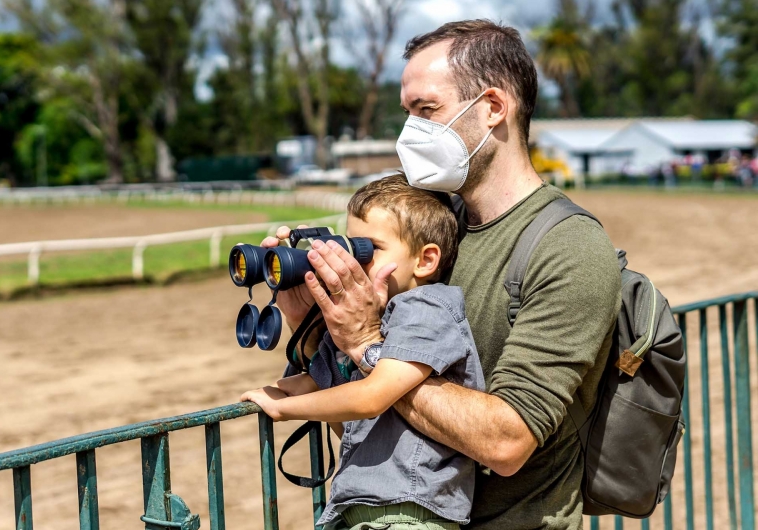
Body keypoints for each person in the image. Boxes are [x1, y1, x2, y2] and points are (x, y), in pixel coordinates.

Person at [262, 20, 621, 530]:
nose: (411, 132)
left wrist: (366, 344)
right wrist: (311, 321)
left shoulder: (569, 246)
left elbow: (506, 442)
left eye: (427, 111)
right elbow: (368, 407)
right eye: (407, 113)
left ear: (494, 108)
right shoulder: (434, 223)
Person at [242, 175, 485, 530]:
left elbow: (371, 396)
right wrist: (300, 317)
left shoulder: (426, 308)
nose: (352, 262)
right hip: (363, 512)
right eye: (347, 246)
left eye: (367, 249)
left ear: (425, 260)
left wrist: (282, 407)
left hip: (410, 514)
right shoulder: (372, 316)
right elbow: (320, 382)